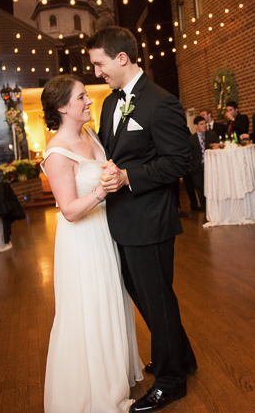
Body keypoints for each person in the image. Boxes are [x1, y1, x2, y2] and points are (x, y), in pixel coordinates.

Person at [90, 26, 196, 413]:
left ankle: (171, 381)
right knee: (144, 294)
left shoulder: (161, 102)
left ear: (122, 58)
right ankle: (181, 356)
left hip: (151, 218)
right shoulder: (107, 103)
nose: (97, 72)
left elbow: (179, 162)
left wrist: (129, 178)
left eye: (99, 64)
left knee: (158, 297)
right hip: (121, 219)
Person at [39, 74, 143, 413]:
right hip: (82, 241)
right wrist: (102, 190)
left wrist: (111, 172)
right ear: (62, 107)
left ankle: (114, 381)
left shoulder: (89, 134)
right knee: (91, 311)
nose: (88, 101)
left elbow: (104, 168)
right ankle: (98, 394)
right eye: (82, 97)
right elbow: (68, 211)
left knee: (111, 303)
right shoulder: (57, 153)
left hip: (104, 233)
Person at [188, 115, 219, 212]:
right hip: (197, 169)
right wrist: (191, 167)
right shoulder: (191, 139)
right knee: (201, 191)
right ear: (196, 126)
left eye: (205, 123)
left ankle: (216, 211)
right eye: (201, 124)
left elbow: (220, 145)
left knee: (213, 189)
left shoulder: (212, 135)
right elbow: (188, 155)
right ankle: (206, 212)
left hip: (211, 168)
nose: (204, 126)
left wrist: (217, 146)